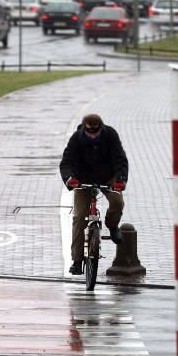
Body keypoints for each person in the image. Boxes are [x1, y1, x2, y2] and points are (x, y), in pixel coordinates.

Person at [59, 114, 129, 275]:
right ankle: (77, 260)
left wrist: (121, 180)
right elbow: (66, 162)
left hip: (107, 177)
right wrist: (70, 179)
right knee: (79, 216)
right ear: (84, 129)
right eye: (90, 133)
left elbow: (120, 159)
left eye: (96, 133)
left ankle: (112, 226)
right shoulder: (76, 139)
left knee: (117, 202)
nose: (93, 136)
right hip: (82, 179)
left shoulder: (110, 135)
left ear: (101, 129)